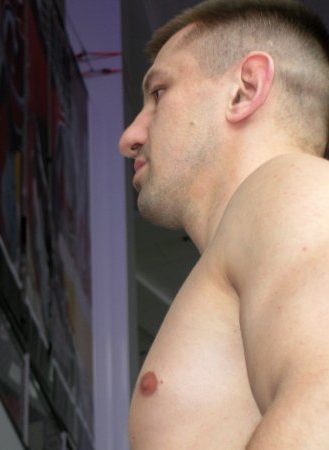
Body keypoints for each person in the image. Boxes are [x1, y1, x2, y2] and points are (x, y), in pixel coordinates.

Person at [119, 0, 329, 448]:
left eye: (159, 93)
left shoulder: (289, 186)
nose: (129, 137)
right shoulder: (256, 232)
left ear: (245, 90)